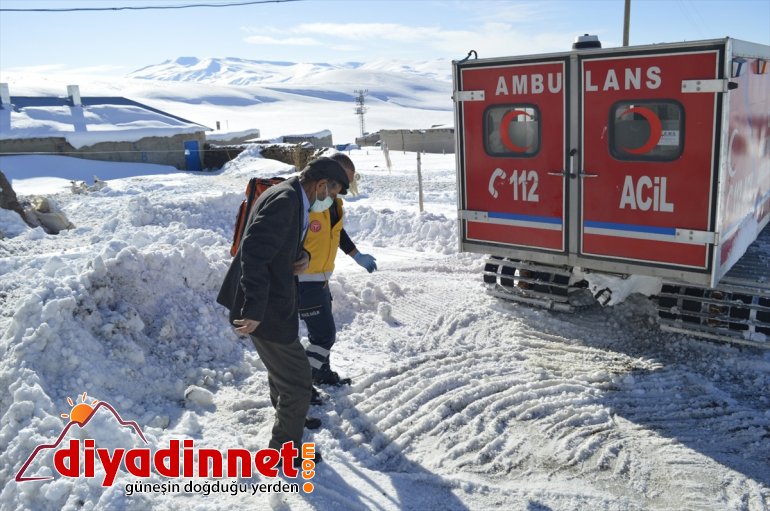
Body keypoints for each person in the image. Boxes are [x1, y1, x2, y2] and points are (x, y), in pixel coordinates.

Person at [217, 156, 350, 464]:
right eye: (332, 193)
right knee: (298, 381)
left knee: (283, 373)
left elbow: (279, 243)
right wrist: (253, 308)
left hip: (275, 300)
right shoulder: (286, 200)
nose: (331, 200)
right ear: (320, 184)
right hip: (264, 307)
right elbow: (254, 251)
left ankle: (291, 424)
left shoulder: (291, 196)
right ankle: (282, 452)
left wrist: (300, 255)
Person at [300, 152, 377, 392]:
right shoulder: (308, 202)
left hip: (321, 278)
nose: (344, 189)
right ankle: (301, 384)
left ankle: (321, 373)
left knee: (320, 334)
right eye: (343, 182)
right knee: (325, 335)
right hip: (303, 280)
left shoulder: (334, 204)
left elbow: (338, 233)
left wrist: (357, 256)